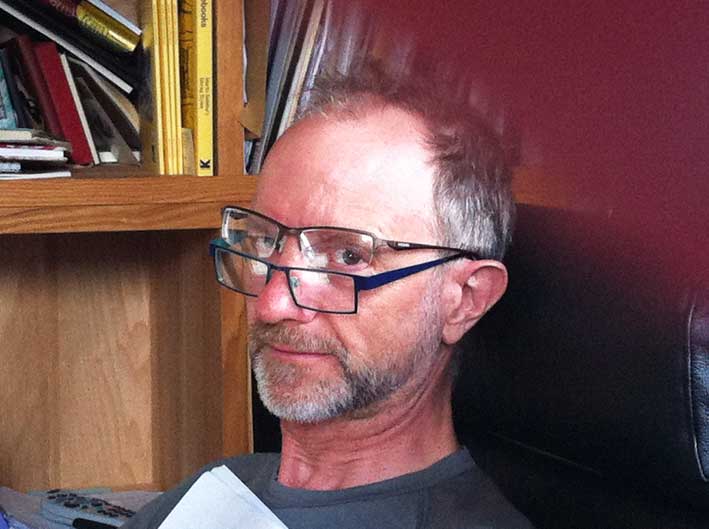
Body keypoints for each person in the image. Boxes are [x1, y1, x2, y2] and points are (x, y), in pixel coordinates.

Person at [123, 64, 534, 529]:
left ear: (464, 298)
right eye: (265, 241)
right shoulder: (213, 489)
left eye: (349, 256)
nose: (272, 305)